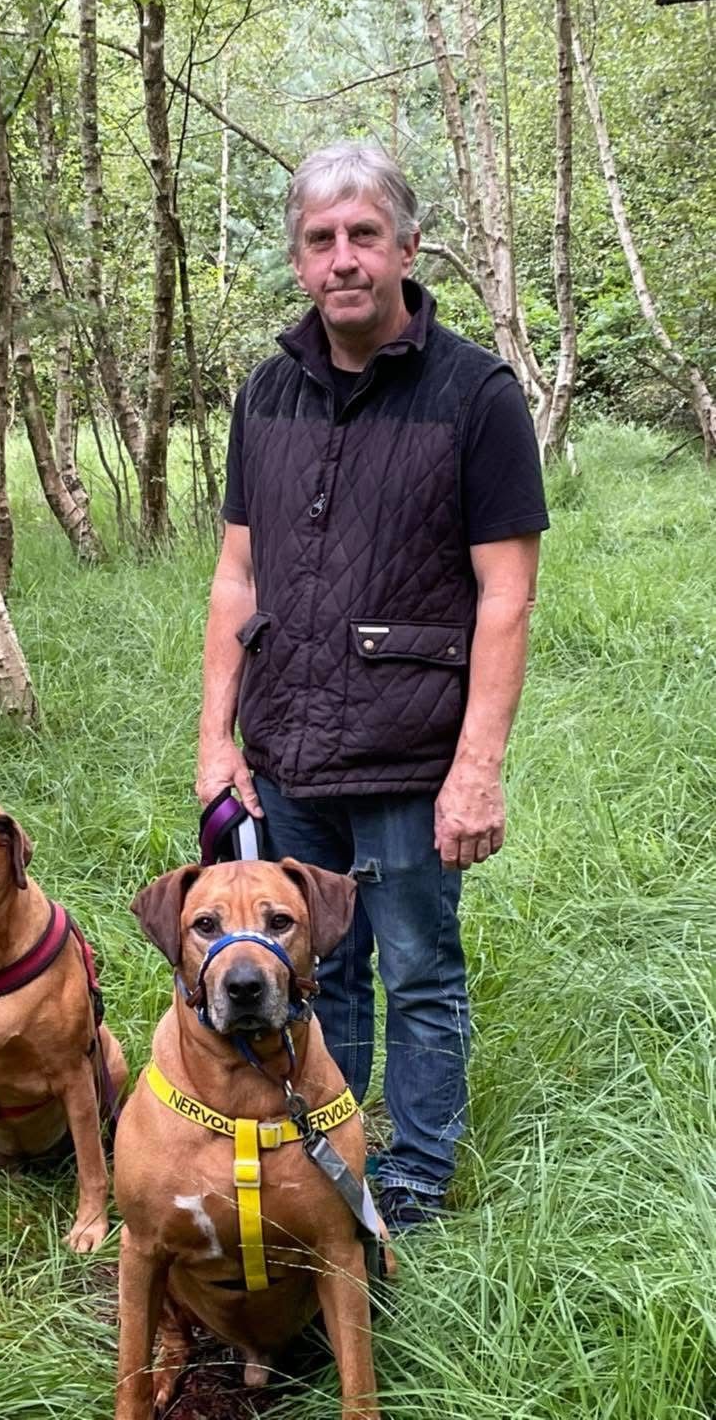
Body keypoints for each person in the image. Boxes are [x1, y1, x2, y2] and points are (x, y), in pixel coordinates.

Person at [195, 141, 548, 1230]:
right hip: (287, 749)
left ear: (403, 245)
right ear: (299, 261)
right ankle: (332, 1153)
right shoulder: (267, 392)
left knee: (416, 970)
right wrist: (217, 741)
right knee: (316, 970)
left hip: (408, 750)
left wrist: (475, 771)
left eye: (362, 235)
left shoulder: (475, 395)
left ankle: (414, 1181)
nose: (343, 258)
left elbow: (506, 596)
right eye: (320, 240)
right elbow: (235, 576)